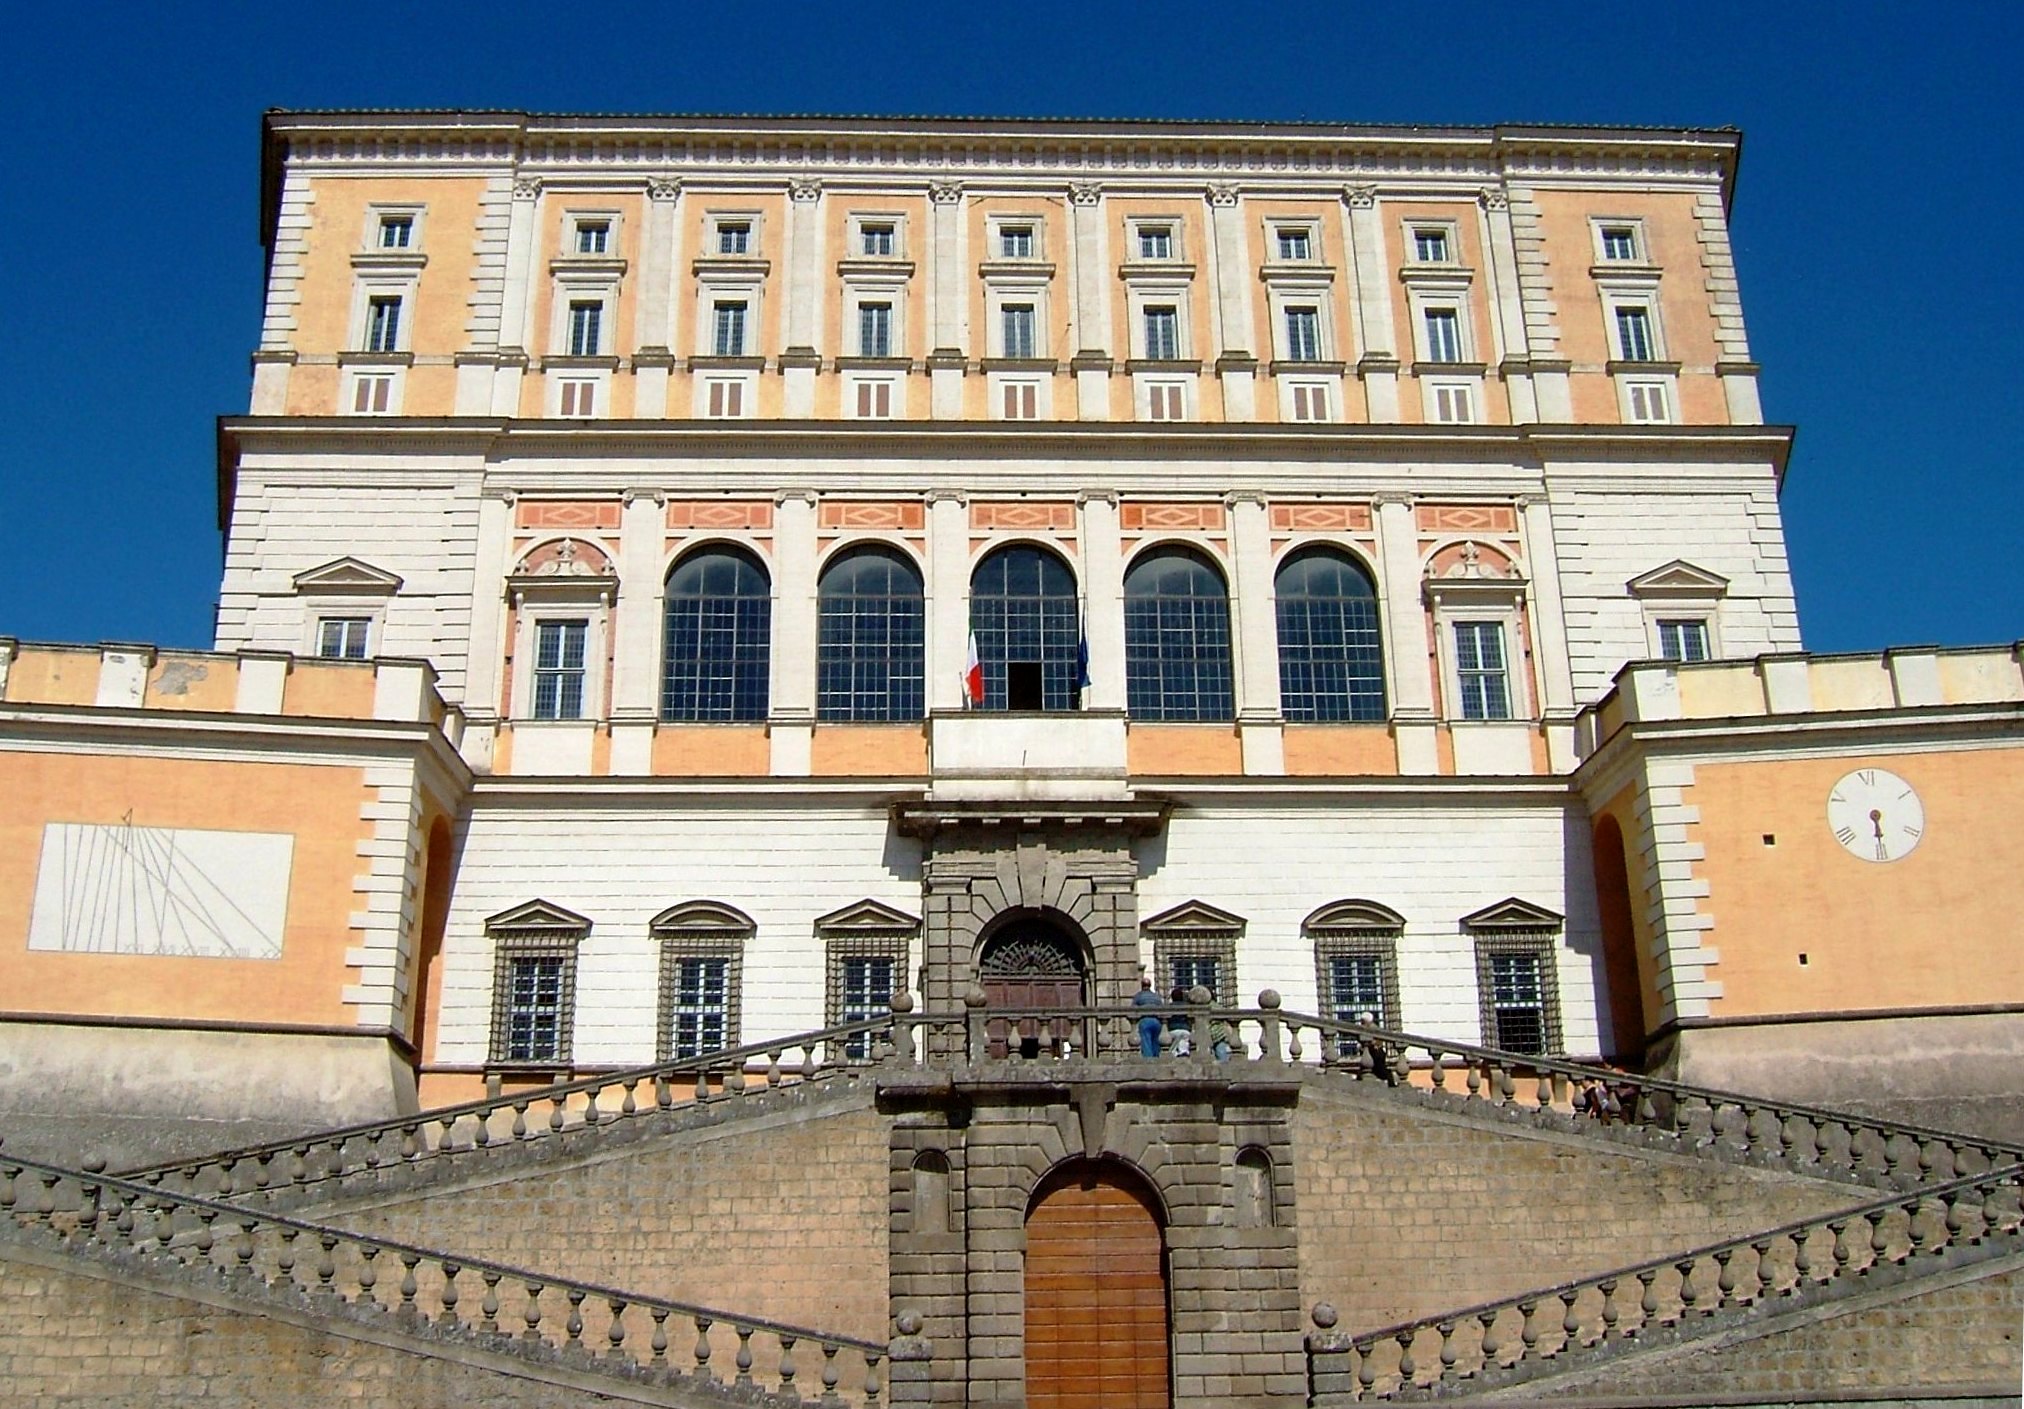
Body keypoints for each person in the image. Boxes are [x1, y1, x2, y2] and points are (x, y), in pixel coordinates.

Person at [1132, 975, 1163, 1058]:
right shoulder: (1156, 996)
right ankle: (1156, 1058)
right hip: (1156, 1022)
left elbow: (1133, 1009)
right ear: (1150, 985)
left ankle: (1148, 1060)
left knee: (1146, 1043)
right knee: (1156, 1042)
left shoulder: (1139, 996)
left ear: (1142, 985)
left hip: (1145, 1021)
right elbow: (1161, 1008)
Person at [1167, 984, 1193, 1056]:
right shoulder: (1187, 1006)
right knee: (1184, 1047)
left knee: (1173, 1050)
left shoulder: (1169, 1006)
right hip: (1185, 1029)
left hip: (1173, 1029)